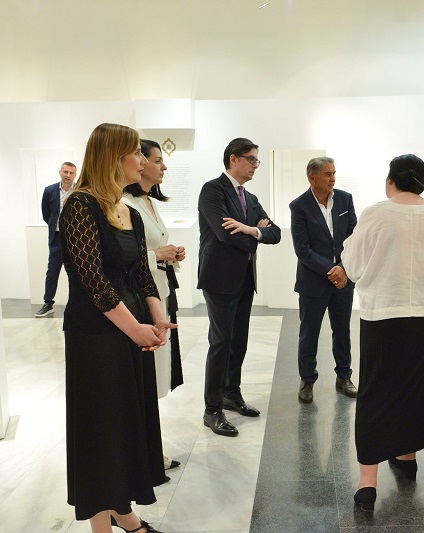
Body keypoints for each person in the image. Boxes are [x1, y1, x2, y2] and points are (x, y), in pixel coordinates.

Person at [60, 123, 175, 533]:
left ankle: (123, 514)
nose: (143, 161)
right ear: (113, 157)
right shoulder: (79, 206)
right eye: (136, 153)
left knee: (125, 426)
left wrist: (156, 317)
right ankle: (102, 526)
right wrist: (137, 330)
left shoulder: (130, 211)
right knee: (100, 431)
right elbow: (94, 283)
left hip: (130, 329)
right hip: (96, 335)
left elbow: (142, 274)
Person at [341, 154, 424, 512]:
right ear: (422, 184)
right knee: (417, 389)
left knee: (375, 391)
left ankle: (368, 482)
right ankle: (407, 457)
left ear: (391, 181)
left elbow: (352, 265)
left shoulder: (375, 214)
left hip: (384, 316)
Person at [197, 137, 281, 436]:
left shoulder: (250, 197)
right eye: (251, 159)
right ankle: (212, 409)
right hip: (219, 277)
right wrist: (257, 233)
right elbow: (224, 234)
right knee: (221, 341)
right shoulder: (213, 190)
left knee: (239, 340)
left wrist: (248, 228)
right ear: (233, 159)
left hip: (244, 277)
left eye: (257, 160)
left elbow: (276, 233)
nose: (256, 165)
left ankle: (231, 394)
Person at [122, 138, 186, 472]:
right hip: (140, 298)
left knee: (158, 374)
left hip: (159, 292)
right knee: (146, 376)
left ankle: (150, 449)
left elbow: (149, 246)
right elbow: (123, 257)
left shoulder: (147, 201)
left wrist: (169, 254)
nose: (163, 166)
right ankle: (146, 453)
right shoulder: (125, 203)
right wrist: (156, 254)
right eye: (156, 160)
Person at [289, 157, 357, 403]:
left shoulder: (345, 199)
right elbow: (302, 249)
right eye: (328, 174)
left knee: (342, 330)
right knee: (309, 333)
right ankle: (307, 380)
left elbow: (354, 239)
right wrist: (333, 270)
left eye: (334, 173)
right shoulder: (299, 206)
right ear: (312, 177)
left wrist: (343, 268)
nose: (333, 179)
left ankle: (344, 376)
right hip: (313, 281)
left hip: (343, 280)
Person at [35, 162, 76, 317]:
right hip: (57, 237)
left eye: (71, 173)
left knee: (77, 271)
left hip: (75, 237)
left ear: (75, 175)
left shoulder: (79, 190)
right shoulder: (49, 190)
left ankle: (77, 303)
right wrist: (56, 226)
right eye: (65, 172)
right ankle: (48, 303)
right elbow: (46, 214)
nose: (68, 175)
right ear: (60, 172)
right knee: (52, 270)